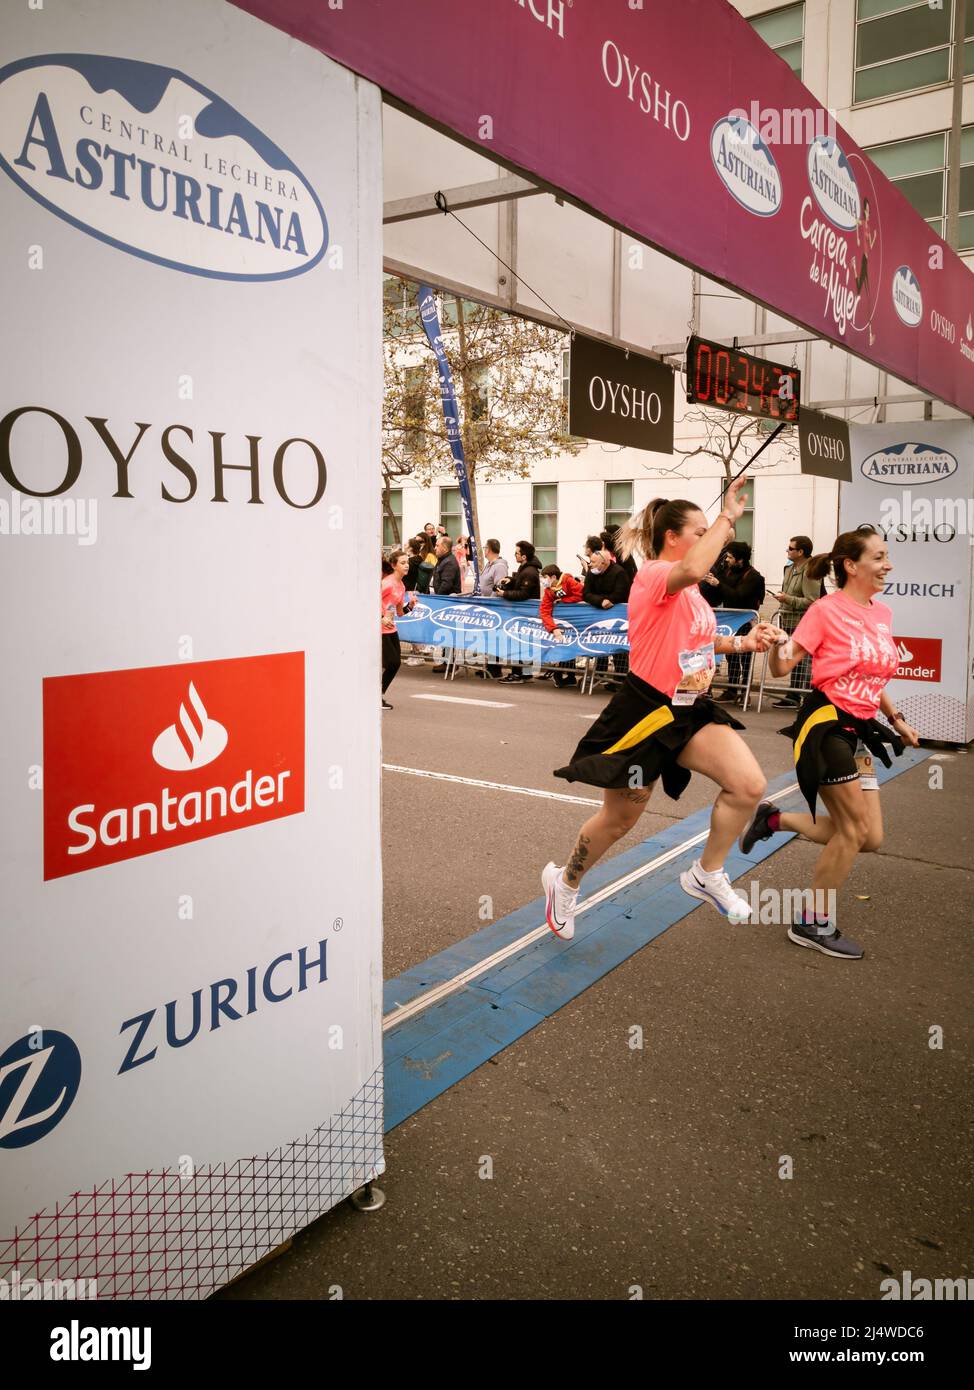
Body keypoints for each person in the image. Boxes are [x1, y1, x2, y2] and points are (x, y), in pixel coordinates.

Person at [542, 481, 781, 940]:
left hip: (690, 710)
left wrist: (742, 642)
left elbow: (695, 639)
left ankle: (706, 873)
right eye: (701, 530)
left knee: (748, 785)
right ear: (673, 536)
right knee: (620, 819)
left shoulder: (690, 592)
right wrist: (729, 517)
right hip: (646, 711)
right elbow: (693, 566)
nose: (712, 537)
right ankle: (565, 883)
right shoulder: (654, 574)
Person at [741, 529, 919, 959]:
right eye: (879, 557)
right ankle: (810, 921)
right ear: (851, 566)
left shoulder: (882, 614)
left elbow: (870, 676)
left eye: (887, 556)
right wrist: (773, 644)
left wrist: (896, 719)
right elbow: (784, 668)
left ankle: (774, 821)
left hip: (860, 729)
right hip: (825, 726)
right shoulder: (825, 610)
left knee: (868, 836)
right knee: (853, 829)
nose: (888, 564)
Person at [703, 541, 766, 704]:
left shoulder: (753, 576)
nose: (727, 560)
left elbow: (738, 596)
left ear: (741, 560)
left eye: (730, 557)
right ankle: (731, 690)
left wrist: (719, 585)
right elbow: (720, 594)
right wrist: (711, 584)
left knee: (745, 658)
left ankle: (745, 692)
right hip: (731, 620)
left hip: (745, 620)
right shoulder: (728, 571)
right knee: (731, 655)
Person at [771, 535, 821, 708]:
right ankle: (793, 694)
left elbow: (813, 600)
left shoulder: (811, 571)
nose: (788, 550)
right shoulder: (789, 568)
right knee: (791, 657)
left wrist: (787, 599)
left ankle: (800, 696)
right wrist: (784, 598)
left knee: (802, 660)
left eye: (791, 548)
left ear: (801, 552)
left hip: (804, 622)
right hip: (789, 619)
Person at [584, 541, 632, 685]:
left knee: (618, 648)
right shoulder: (592, 572)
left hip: (616, 615)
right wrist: (600, 601)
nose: (590, 565)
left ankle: (620, 678)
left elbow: (622, 593)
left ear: (604, 564)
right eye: (590, 561)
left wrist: (609, 600)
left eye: (593, 562)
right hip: (597, 612)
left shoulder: (619, 573)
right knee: (598, 644)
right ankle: (599, 673)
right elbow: (585, 594)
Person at [497, 540, 542, 682]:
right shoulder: (526, 568)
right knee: (524, 643)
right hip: (524, 612)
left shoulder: (529, 572)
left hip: (524, 612)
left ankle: (518, 674)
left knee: (518, 643)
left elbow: (524, 594)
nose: (514, 555)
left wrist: (504, 594)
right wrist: (510, 580)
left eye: (516, 553)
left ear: (524, 557)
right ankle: (526, 673)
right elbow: (519, 583)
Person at [381, 550, 417, 710]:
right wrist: (381, 618)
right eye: (402, 563)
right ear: (394, 565)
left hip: (391, 629)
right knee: (391, 662)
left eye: (407, 562)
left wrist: (410, 606)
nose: (406, 565)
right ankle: (374, 695)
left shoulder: (401, 586)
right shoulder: (386, 583)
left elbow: (400, 613)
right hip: (379, 629)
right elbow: (367, 603)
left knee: (395, 664)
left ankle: (377, 695)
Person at [540, 564, 585, 688]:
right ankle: (567, 677)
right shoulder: (549, 591)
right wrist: (553, 629)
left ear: (553, 577)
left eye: (545, 577)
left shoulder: (568, 580)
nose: (543, 581)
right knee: (564, 645)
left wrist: (564, 601)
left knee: (573, 646)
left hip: (579, 620)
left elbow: (581, 594)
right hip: (564, 624)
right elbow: (544, 611)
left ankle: (570, 676)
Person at [430, 535, 461, 673]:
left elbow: (446, 584)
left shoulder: (449, 562)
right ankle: (446, 659)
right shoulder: (443, 560)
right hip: (444, 601)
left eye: (437, 545)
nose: (435, 548)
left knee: (448, 632)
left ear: (444, 547)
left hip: (447, 602)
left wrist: (437, 598)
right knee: (445, 631)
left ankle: (449, 661)